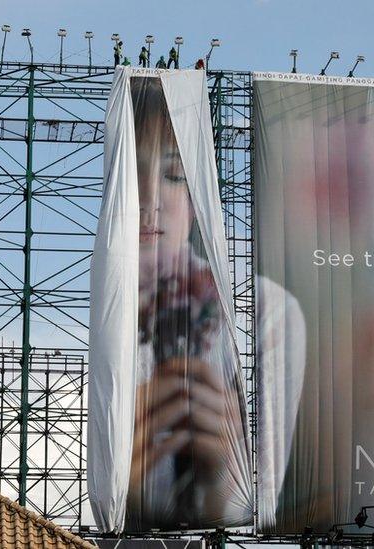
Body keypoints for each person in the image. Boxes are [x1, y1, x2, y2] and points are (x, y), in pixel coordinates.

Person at [125, 77, 253, 531]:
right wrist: (132, 484)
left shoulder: (268, 320)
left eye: (174, 175)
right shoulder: (109, 326)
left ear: (198, 202)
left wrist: (220, 481)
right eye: (131, 175)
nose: (150, 203)